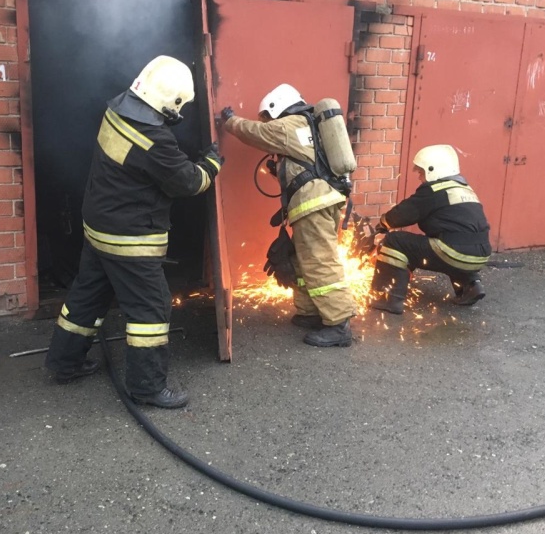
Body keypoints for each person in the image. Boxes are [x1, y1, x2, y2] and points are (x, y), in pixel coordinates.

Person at [44, 55, 224, 409]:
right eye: (179, 106)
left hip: (98, 228)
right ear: (168, 101)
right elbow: (189, 182)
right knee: (151, 310)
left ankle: (64, 364)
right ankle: (146, 387)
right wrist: (213, 162)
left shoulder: (115, 111)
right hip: (130, 240)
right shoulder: (155, 140)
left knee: (87, 297)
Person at [219, 84, 355, 348]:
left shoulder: (289, 124)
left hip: (313, 204)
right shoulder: (307, 125)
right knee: (302, 259)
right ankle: (312, 311)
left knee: (319, 261)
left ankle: (339, 325)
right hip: (316, 202)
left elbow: (255, 132)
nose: (268, 123)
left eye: (269, 117)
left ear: (276, 107)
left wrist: (230, 121)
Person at [370, 144, 492, 314]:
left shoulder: (434, 190)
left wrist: (383, 223)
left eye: (421, 172)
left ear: (433, 170)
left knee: (394, 241)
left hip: (453, 252)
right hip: (481, 255)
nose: (419, 176)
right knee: (451, 244)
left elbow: (404, 213)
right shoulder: (464, 189)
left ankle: (389, 298)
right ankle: (471, 286)